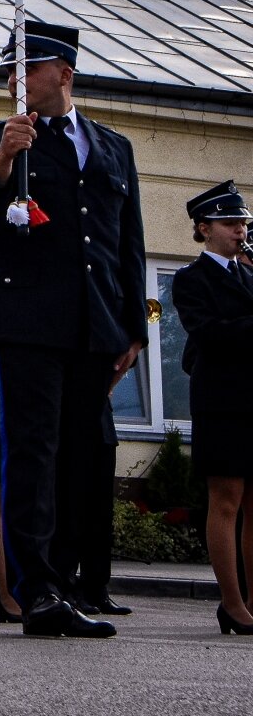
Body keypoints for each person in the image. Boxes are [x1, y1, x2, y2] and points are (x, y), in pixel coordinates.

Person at [0, 19, 145, 639]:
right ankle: (35, 591)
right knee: (32, 455)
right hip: (28, 322)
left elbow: (127, 242)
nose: (14, 82)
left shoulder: (112, 147)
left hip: (94, 326)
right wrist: (4, 161)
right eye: (9, 72)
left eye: (27, 70)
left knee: (79, 458)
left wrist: (132, 329)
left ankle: (65, 584)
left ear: (64, 74)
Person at [167, 181, 253, 636]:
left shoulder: (249, 274)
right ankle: (232, 604)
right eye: (230, 223)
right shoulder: (192, 277)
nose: (240, 230)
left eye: (243, 223)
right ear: (204, 228)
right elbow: (208, 334)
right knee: (226, 501)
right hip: (222, 400)